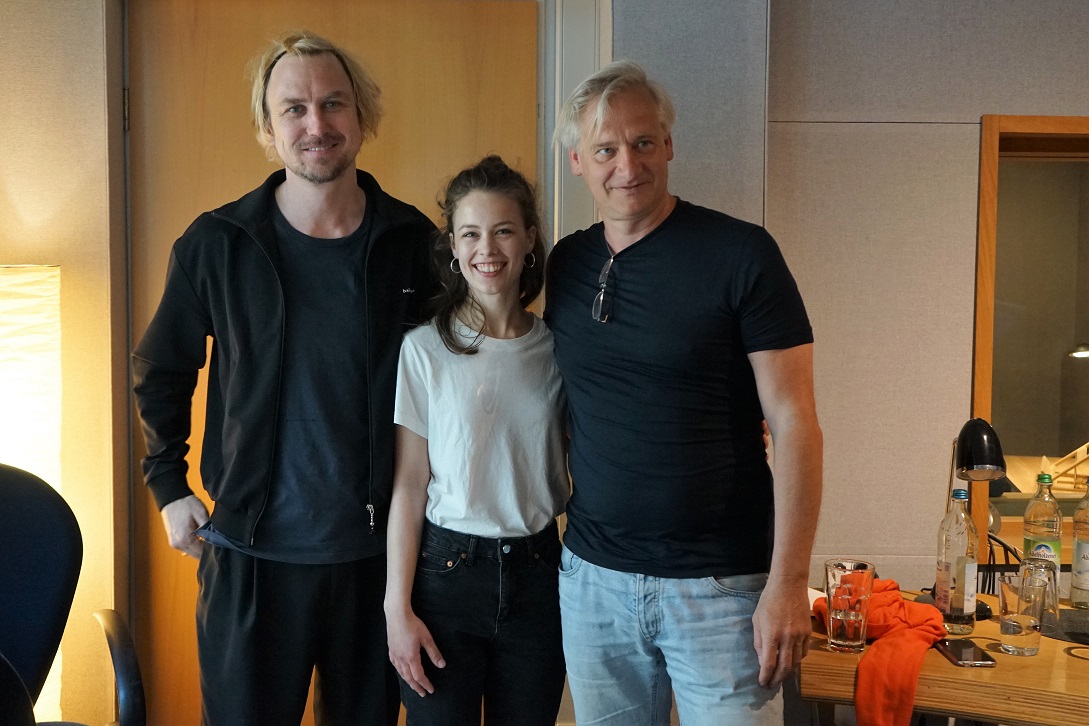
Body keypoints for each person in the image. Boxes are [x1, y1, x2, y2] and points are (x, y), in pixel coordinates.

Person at [131, 30, 435, 726]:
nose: (316, 124)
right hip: (249, 556)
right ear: (268, 131)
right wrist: (167, 485)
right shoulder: (216, 243)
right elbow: (162, 367)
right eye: (293, 109)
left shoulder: (413, 243)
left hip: (377, 560)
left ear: (361, 118)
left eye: (333, 104)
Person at [544, 60, 824, 725]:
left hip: (721, 590)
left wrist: (787, 584)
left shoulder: (740, 254)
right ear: (578, 161)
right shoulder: (566, 262)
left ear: (668, 144)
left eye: (643, 142)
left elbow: (794, 424)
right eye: (606, 149)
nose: (627, 165)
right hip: (594, 582)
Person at [384, 155, 568, 726]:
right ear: (453, 246)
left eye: (504, 230)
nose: (487, 249)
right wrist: (397, 607)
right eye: (471, 234)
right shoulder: (424, 350)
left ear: (530, 239)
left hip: (539, 576)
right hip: (445, 579)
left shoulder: (559, 349)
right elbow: (410, 486)